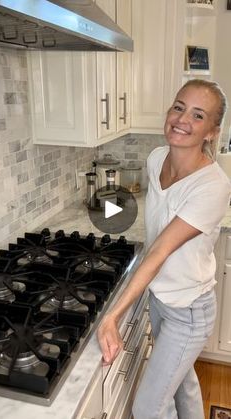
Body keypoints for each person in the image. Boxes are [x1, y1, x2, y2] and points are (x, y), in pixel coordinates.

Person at [97, 79, 231, 419]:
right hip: (160, 301)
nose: (182, 119)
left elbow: (158, 251)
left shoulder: (212, 186)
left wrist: (112, 316)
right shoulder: (156, 159)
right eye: (179, 107)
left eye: (198, 115)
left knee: (147, 408)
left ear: (212, 132)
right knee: (182, 384)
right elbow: (149, 211)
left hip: (188, 310)